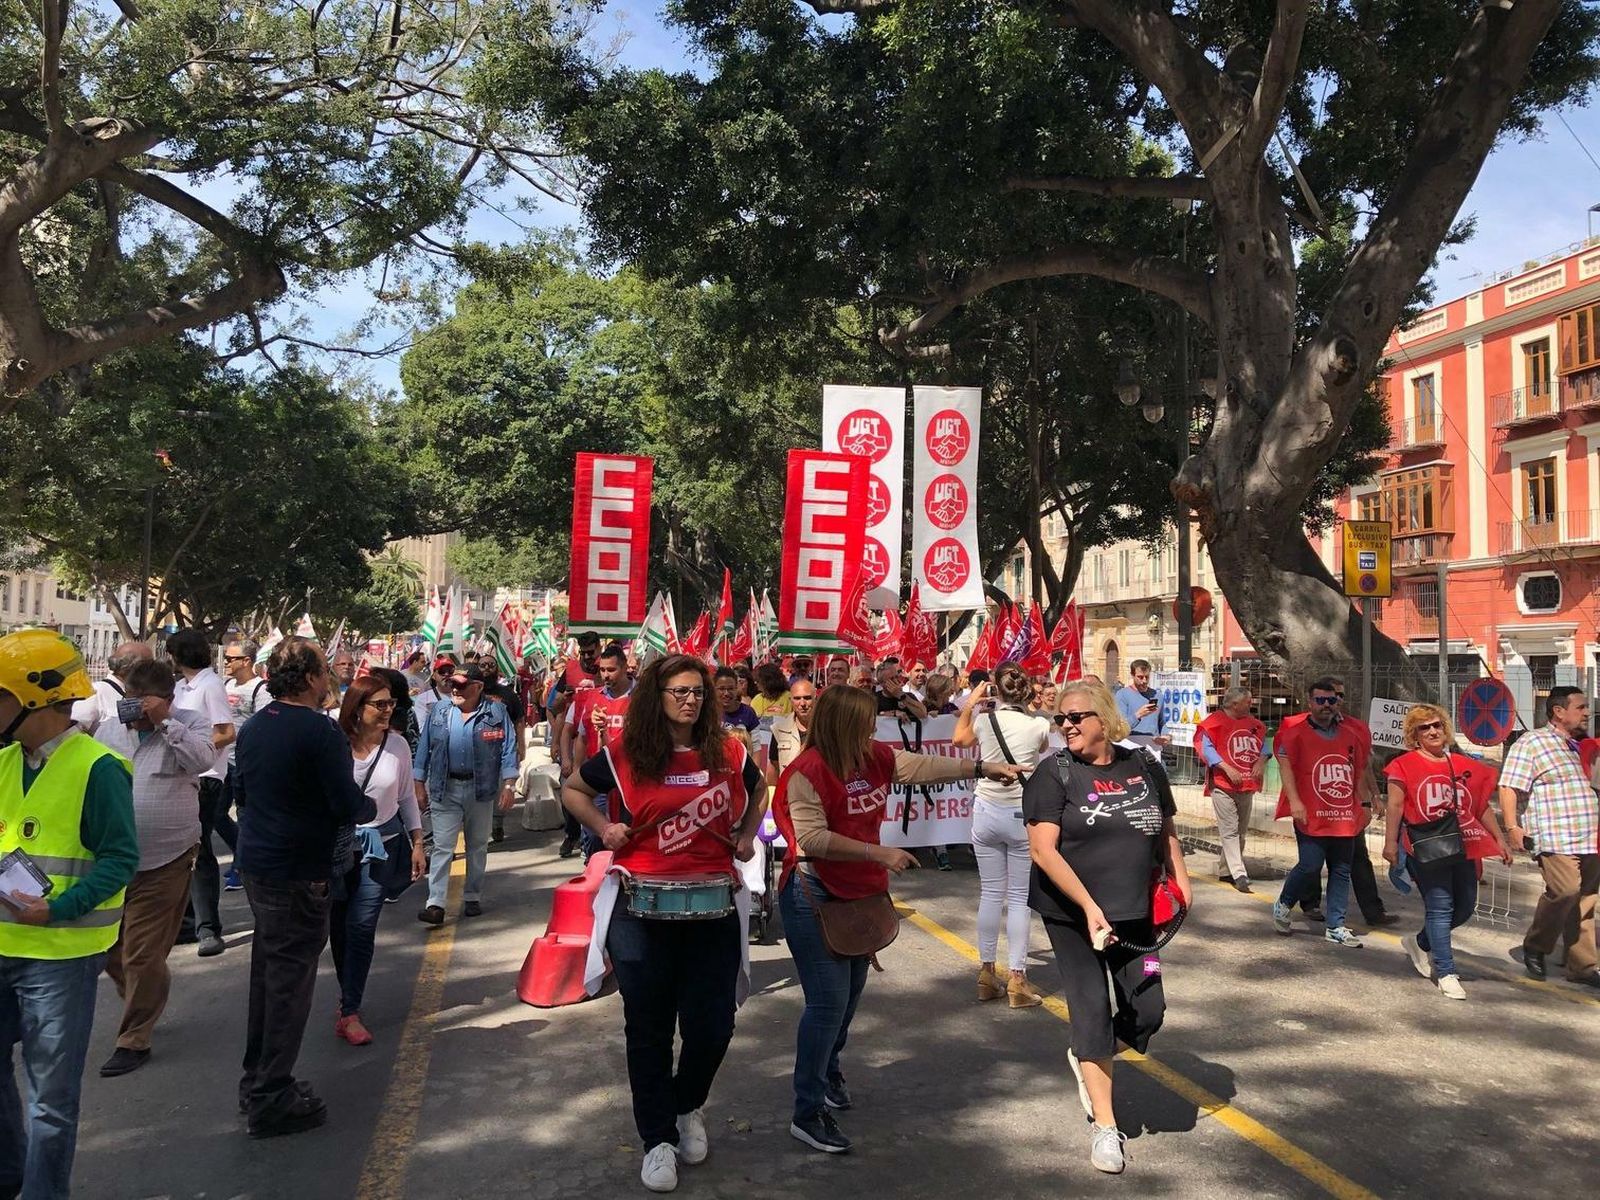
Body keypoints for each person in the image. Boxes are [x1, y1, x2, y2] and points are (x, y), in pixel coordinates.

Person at [771, 685, 1020, 1155]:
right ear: (844, 724)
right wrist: (880, 852)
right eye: (865, 719)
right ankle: (807, 1112)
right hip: (814, 895)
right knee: (826, 1005)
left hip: (862, 894)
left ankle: (827, 1070)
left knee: (846, 1003)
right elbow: (812, 840)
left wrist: (983, 768)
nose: (873, 726)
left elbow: (921, 767)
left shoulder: (872, 757)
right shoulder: (807, 772)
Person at [560, 655, 765, 1194]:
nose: (691, 700)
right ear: (659, 695)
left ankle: (687, 1105)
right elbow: (574, 790)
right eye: (680, 691)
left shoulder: (730, 751)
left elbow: (759, 787)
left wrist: (746, 835)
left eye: (698, 692)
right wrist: (605, 828)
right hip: (640, 909)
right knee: (648, 1029)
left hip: (714, 907)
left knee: (713, 1025)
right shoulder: (626, 753)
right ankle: (656, 1140)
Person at [1022, 679, 1189, 1175]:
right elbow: (1042, 850)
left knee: (1150, 1008)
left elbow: (1166, 827)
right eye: (1061, 719)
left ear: (1104, 719)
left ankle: (1089, 1054)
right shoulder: (1053, 773)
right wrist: (1089, 906)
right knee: (1091, 1012)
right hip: (1073, 917)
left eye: (1076, 717)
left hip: (1136, 914)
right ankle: (1105, 1125)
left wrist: (1181, 878)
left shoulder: (1143, 764)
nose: (1067, 726)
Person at [0, 630, 138, 1198]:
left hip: (59, 958)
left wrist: (58, 907)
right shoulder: (6, 761)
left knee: (50, 1101)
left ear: (33, 697)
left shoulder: (98, 768)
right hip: (4, 948)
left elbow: (120, 860)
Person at [233, 637, 375, 1137]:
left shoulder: (255, 726)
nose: (330, 680)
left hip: (260, 865)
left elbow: (242, 792)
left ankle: (258, 1084)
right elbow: (344, 801)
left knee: (267, 977)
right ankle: (272, 1095)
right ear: (313, 677)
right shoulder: (319, 732)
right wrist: (366, 808)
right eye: (326, 672)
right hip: (297, 870)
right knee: (289, 984)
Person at [99, 659, 215, 1078]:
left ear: (167, 700)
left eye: (146, 703)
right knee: (110, 951)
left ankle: (133, 1038)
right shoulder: (109, 730)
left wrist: (166, 724)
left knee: (143, 953)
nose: (138, 712)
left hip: (168, 858)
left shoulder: (189, 724)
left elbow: (203, 760)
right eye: (132, 702)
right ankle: (145, 997)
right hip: (112, 859)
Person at [1383, 705, 1512, 1000]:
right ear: (1413, 735)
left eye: (1437, 725)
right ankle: (1446, 971)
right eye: (1424, 728)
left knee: (1465, 907)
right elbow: (1395, 806)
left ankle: (1420, 942)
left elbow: (1478, 806)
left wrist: (1499, 839)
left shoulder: (1461, 764)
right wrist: (1390, 844)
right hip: (1426, 846)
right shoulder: (1403, 765)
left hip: (1464, 844)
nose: (1432, 731)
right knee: (1440, 907)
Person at [329, 675, 423, 1044]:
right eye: (379, 705)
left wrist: (417, 841)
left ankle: (350, 1008)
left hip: (380, 848)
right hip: (337, 849)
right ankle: (346, 994)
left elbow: (406, 799)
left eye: (391, 705)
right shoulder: (333, 744)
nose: (388, 711)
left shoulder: (398, 745)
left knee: (362, 925)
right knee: (338, 928)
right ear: (357, 707)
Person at [952, 664, 1050, 1007]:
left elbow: (958, 738)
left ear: (997, 691)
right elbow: (1039, 750)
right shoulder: (1038, 724)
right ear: (1026, 691)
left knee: (991, 893)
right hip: (1021, 814)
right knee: (1019, 897)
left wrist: (971, 701)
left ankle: (986, 972)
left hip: (986, 810)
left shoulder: (984, 720)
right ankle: (1017, 979)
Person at [1498, 686, 1600, 987]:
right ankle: (1536, 945)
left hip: (1590, 836)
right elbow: (1508, 786)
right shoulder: (1532, 743)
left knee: (1585, 900)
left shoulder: (1584, 746)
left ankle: (1582, 967)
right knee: (1566, 891)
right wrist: (1513, 827)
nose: (1586, 712)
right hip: (1555, 835)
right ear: (1558, 711)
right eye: (1580, 707)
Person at [412, 663, 518, 925]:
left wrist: (509, 785)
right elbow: (424, 748)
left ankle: (471, 896)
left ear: (478, 686)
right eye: (452, 684)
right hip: (444, 787)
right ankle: (435, 903)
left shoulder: (496, 711)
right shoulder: (439, 710)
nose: (454, 689)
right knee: (442, 847)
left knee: (477, 845)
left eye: (461, 685)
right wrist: (418, 783)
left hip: (480, 789)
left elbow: (508, 749)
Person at [1271, 678, 1373, 948]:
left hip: (1343, 815)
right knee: (1310, 865)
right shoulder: (1294, 733)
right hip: (1311, 814)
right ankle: (1284, 902)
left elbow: (1358, 771)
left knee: (1341, 870)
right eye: (1320, 700)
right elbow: (1285, 766)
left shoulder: (1351, 734)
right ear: (1310, 702)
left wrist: (1364, 804)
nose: (1327, 705)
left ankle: (1336, 925)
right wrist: (1295, 801)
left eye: (1331, 700)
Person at [1286, 681, 1396, 927]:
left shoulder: (1354, 728)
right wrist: (1295, 801)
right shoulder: (1300, 728)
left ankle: (1371, 912)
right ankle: (1309, 903)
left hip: (1348, 809)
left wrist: (1371, 799)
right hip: (1314, 807)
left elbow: (1362, 766)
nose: (1332, 702)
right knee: (1312, 861)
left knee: (1355, 860)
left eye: (1337, 697)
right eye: (1325, 699)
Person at [166, 628, 237, 958]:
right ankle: (188, 921)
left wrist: (200, 748)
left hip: (206, 776)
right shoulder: (180, 687)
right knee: (183, 849)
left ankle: (209, 927)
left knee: (200, 848)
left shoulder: (211, 685)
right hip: (180, 773)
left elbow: (226, 731)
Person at [560, 644, 634, 859]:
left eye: (611, 670)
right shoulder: (592, 698)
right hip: (600, 777)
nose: (606, 675)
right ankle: (593, 867)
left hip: (632, 777)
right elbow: (581, 737)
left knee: (627, 833)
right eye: (602, 670)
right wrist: (576, 769)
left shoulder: (642, 697)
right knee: (595, 834)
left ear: (624, 667)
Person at [1194, 687, 1266, 893]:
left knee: (1240, 831)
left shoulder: (1254, 725)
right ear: (1235, 704)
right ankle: (1239, 873)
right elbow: (1206, 749)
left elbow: (1265, 747)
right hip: (1222, 785)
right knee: (1230, 830)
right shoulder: (1213, 723)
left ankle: (1226, 870)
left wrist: (1261, 761)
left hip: (1246, 785)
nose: (1251, 704)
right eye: (1248, 701)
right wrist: (1225, 767)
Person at [221, 638, 270, 892]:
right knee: (217, 814)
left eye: (231, 659)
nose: (226, 662)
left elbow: (263, 727)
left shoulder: (260, 689)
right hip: (221, 761)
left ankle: (241, 868)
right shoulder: (226, 684)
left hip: (244, 764)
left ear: (247, 661)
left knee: (244, 814)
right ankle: (240, 854)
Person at [70, 640, 153, 759]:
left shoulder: (141, 694)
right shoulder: (95, 692)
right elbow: (74, 734)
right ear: (133, 667)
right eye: (149, 665)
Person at [482, 661, 527, 844]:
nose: (486, 669)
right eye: (483, 665)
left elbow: (519, 720)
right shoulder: (473, 692)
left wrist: (521, 744)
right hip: (480, 750)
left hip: (502, 750)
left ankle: (497, 824)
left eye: (491, 666)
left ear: (497, 670)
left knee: (501, 788)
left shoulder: (508, 694)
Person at [1112, 660, 1167, 754]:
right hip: (1130, 748)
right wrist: (1138, 715)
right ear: (1132, 675)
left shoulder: (1158, 695)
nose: (1144, 681)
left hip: (1153, 748)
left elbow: (1162, 723)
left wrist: (1166, 736)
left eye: (1147, 677)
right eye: (1140, 677)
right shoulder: (1122, 695)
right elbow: (1120, 727)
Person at [713, 667, 759, 742]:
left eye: (730, 688)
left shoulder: (748, 713)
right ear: (714, 689)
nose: (726, 693)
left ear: (736, 688)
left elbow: (756, 746)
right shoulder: (707, 713)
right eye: (722, 689)